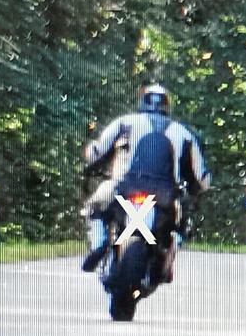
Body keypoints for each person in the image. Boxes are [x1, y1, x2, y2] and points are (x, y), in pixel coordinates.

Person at [81, 84, 212, 272]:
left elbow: (96, 152)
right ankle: (165, 262)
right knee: (179, 226)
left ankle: (99, 245)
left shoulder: (124, 123)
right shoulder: (184, 133)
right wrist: (196, 189)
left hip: (123, 188)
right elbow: (202, 177)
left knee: (96, 206)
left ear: (143, 101)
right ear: (167, 105)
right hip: (165, 196)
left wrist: (91, 163)